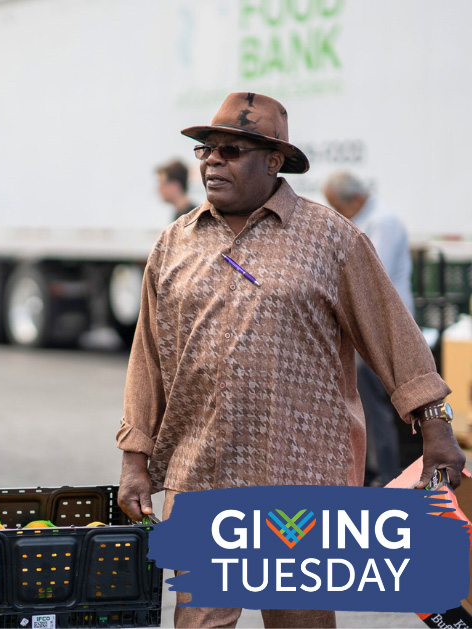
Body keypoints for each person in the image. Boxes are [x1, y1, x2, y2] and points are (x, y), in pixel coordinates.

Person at [116, 92, 465, 628]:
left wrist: (435, 426)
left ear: (273, 161)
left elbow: (393, 334)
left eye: (231, 150)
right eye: (207, 150)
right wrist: (135, 458)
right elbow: (148, 360)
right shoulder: (173, 243)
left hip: (301, 480)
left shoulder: (332, 239)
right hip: (202, 475)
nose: (212, 160)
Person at [323, 170, 414, 486]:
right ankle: (375, 473)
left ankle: (382, 476)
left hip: (381, 331)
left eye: (336, 204)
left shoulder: (382, 223)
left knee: (373, 408)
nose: (335, 211)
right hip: (370, 329)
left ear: (354, 199)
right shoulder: (371, 221)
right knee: (369, 405)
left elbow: (370, 277)